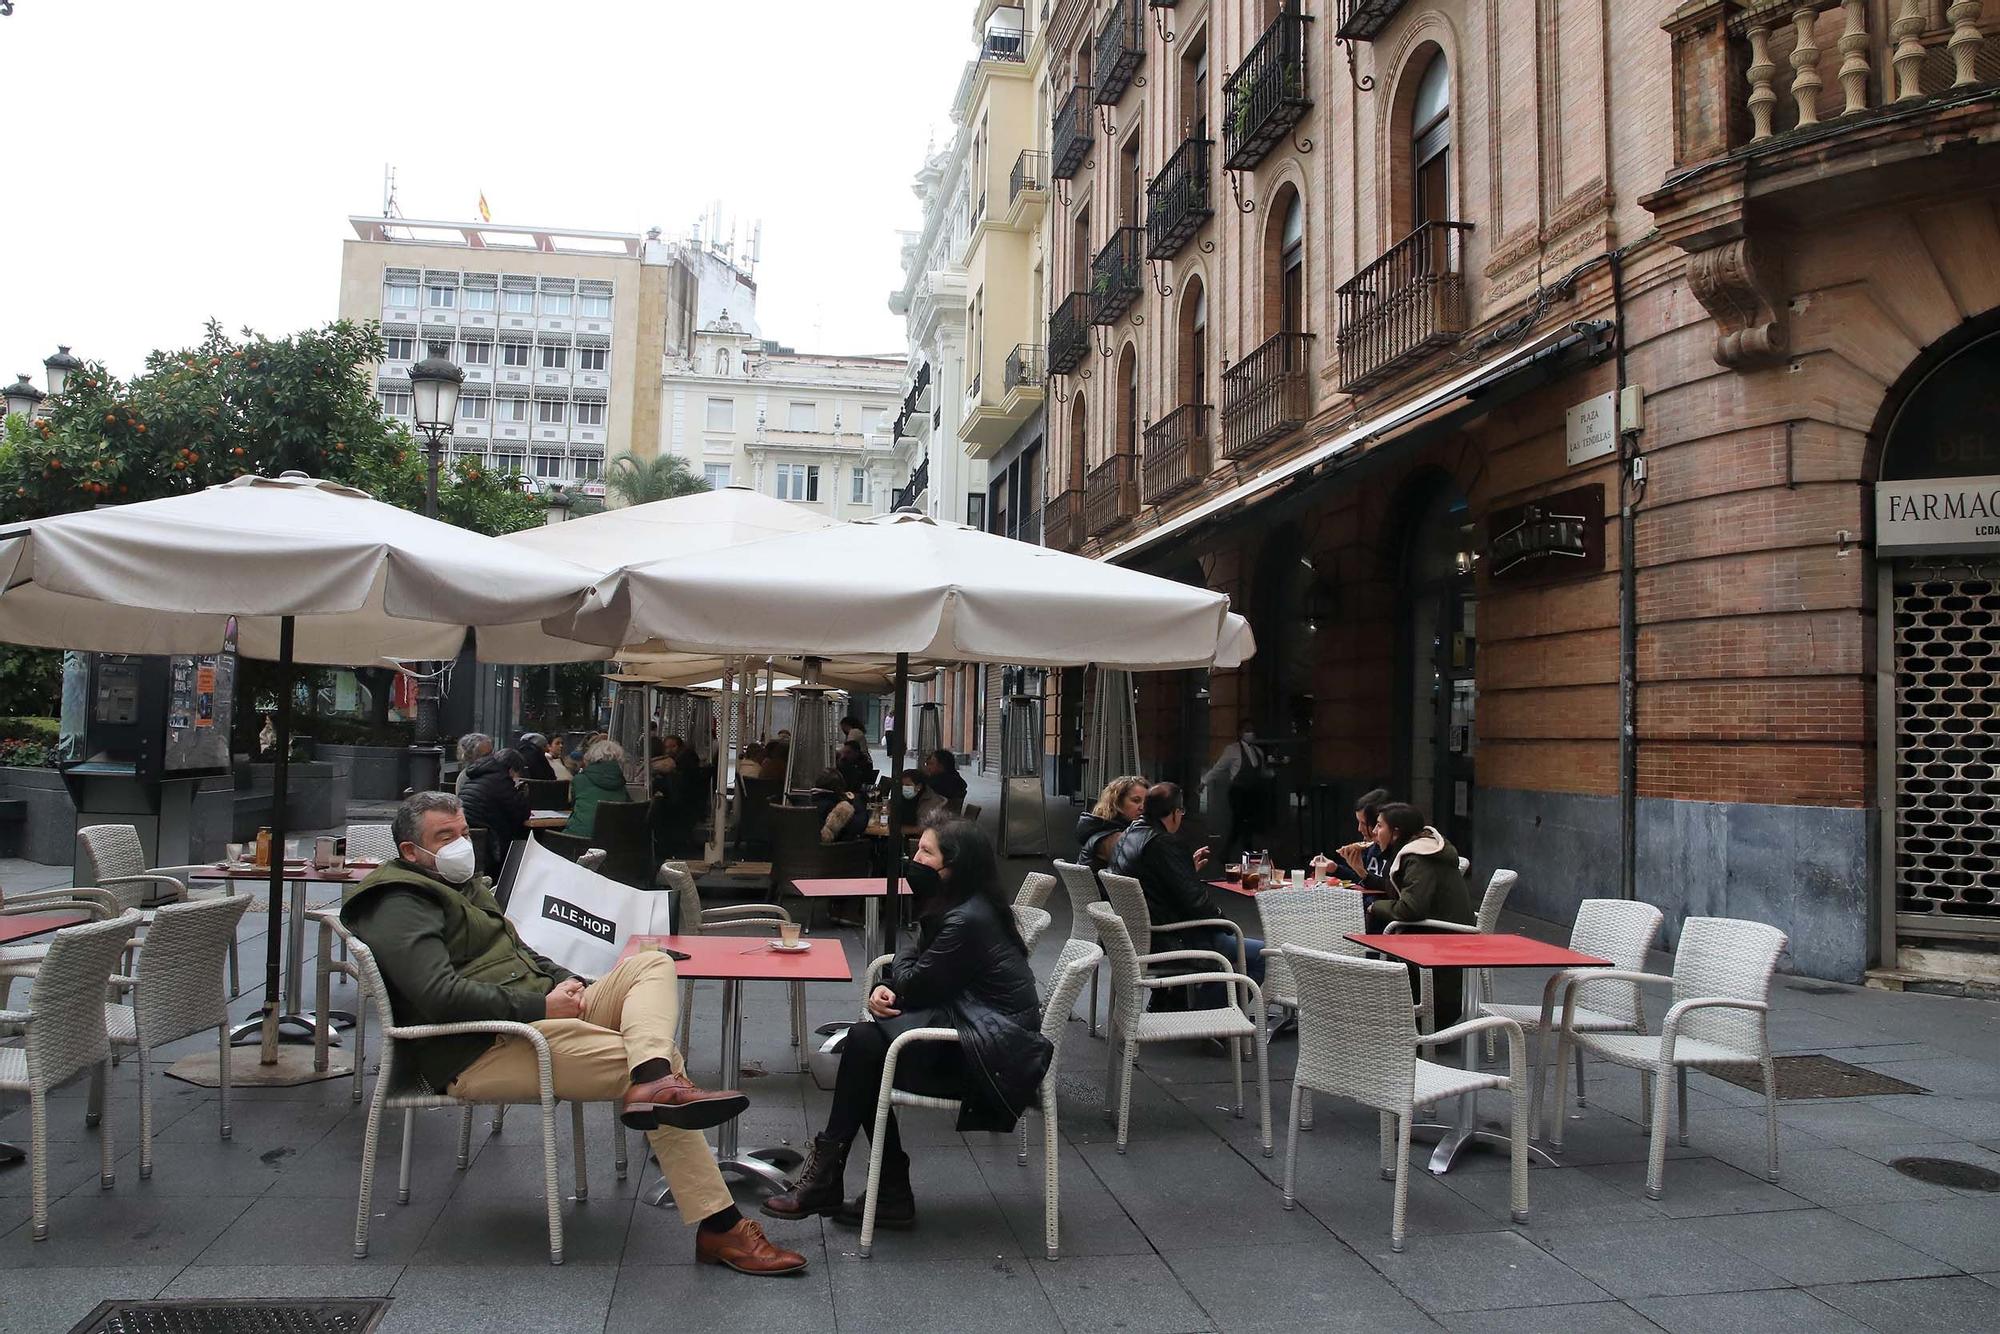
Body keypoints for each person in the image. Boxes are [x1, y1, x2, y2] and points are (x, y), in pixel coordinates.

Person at [341, 792, 805, 1274]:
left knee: (651, 964)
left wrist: (569, 982)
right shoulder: (398, 902)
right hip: (482, 1045)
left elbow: (518, 952)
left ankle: (654, 1079)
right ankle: (720, 1225)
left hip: (539, 1013)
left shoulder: (459, 884)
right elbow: (438, 994)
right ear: (410, 851)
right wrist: (541, 1003)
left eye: (462, 833)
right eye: (445, 837)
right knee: (658, 1058)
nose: (461, 845)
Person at [762, 820, 1050, 1229]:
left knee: (864, 1050)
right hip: (979, 1039)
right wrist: (889, 985)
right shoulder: (965, 906)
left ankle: (848, 1181)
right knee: (864, 1047)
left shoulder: (966, 919)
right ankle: (868, 1187)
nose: (914, 860)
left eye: (925, 853)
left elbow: (916, 980)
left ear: (953, 866)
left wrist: (896, 972)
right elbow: (925, 977)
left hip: (993, 1065)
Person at [1110, 782, 1265, 1015]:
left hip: (1142, 935)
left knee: (1235, 946)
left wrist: (1184, 869)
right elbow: (1195, 903)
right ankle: (1208, 1015)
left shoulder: (1130, 835)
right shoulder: (1164, 843)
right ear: (1173, 813)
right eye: (1180, 812)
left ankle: (1194, 1007)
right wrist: (1224, 923)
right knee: (1262, 954)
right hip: (1172, 938)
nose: (1181, 817)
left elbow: (1159, 882)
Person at [1364, 801, 1477, 1024]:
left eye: (1379, 826)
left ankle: (1389, 1016)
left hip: (1441, 940)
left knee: (1376, 927)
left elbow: (1410, 907)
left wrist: (1374, 906)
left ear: (1396, 832)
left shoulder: (1419, 857)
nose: (1374, 833)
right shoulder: (1417, 851)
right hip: (1438, 932)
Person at [1203, 726, 1278, 865]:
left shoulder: (1258, 752)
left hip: (1253, 793)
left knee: (1247, 823)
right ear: (1240, 733)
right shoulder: (1232, 750)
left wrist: (1274, 771)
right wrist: (1204, 781)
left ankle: (1238, 852)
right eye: (1247, 730)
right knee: (1239, 821)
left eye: (1252, 730)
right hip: (1238, 792)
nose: (1251, 733)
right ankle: (1237, 852)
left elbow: (1262, 772)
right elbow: (1219, 767)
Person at [458, 745, 531, 872]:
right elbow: (520, 814)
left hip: (468, 835)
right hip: (489, 844)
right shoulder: (501, 780)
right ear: (511, 769)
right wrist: (520, 793)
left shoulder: (478, 774)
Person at [1319, 788, 1393, 890]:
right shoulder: (1370, 848)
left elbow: (1390, 889)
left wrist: (1362, 873)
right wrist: (1335, 868)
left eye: (1363, 823)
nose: (1359, 829)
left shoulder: (1399, 852)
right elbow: (1359, 880)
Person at [1076, 774, 1147, 870]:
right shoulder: (1113, 837)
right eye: (1136, 800)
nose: (1142, 807)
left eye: (1146, 802)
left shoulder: (1103, 827)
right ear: (1117, 802)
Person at [565, 738, 630, 839]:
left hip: (577, 838)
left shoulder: (579, 780)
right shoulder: (621, 784)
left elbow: (573, 806)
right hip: (612, 841)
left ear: (591, 757)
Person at [810, 767, 868, 844]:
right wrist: (855, 802)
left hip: (805, 851)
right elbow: (858, 826)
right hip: (833, 853)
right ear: (839, 787)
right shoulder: (839, 807)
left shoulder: (809, 802)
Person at [921, 749, 967, 815]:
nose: (928, 767)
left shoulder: (940, 782)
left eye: (931, 764)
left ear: (941, 766)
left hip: (935, 817)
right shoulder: (956, 778)